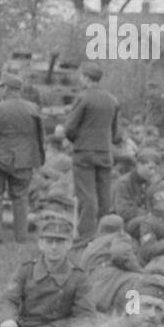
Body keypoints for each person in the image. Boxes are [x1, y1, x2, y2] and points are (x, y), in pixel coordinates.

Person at [0, 216, 97, 327]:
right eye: (49, 242)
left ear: (69, 244)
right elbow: (9, 299)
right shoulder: (26, 270)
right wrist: (8, 320)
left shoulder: (78, 277)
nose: (54, 247)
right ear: (41, 244)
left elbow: (86, 315)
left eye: (60, 242)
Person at [0, 73, 46, 244]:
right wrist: (38, 159)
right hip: (24, 160)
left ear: (6, 88)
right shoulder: (33, 109)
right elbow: (40, 137)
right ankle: (21, 237)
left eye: (2, 87)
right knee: (21, 198)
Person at [65, 62, 122, 243]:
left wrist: (79, 140)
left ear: (87, 78)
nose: (80, 79)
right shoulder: (112, 100)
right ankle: (105, 235)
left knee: (86, 195)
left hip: (84, 153)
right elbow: (117, 134)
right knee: (104, 195)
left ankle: (86, 236)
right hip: (105, 153)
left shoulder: (83, 98)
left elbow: (70, 129)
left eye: (82, 76)